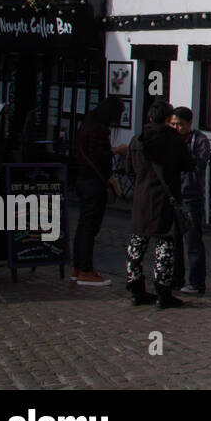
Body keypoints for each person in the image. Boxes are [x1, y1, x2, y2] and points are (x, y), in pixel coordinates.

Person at [124, 100, 193, 308]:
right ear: (166, 119)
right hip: (165, 199)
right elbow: (188, 165)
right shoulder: (174, 141)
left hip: (142, 200)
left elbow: (129, 170)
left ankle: (136, 290)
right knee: (164, 247)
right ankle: (163, 293)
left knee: (137, 244)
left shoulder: (137, 140)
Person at [72, 96, 127, 286]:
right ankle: (85, 270)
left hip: (83, 178)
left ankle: (79, 266)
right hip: (93, 181)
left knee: (84, 225)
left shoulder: (87, 123)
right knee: (90, 226)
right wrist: (116, 151)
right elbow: (99, 155)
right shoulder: (98, 129)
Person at [170, 106, 210, 295]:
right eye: (174, 124)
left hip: (192, 196)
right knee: (174, 240)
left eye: (180, 124)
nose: (176, 128)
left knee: (193, 241)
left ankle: (196, 282)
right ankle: (176, 278)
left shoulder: (200, 140)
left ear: (189, 124)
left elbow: (199, 165)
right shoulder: (172, 139)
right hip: (174, 195)